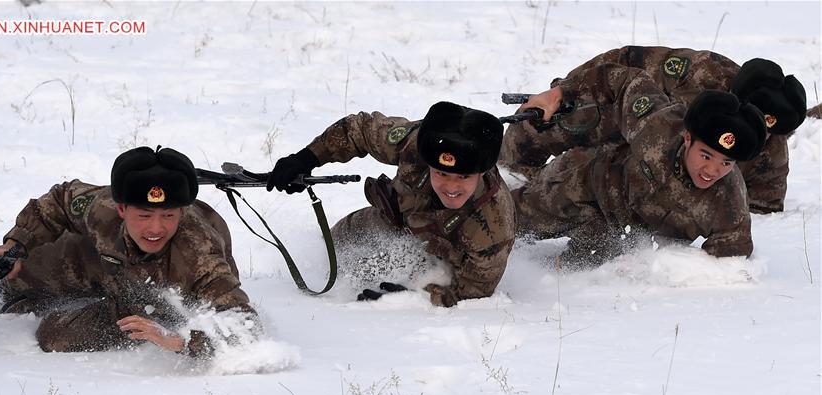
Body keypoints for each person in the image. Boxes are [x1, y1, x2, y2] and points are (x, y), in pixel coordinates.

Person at [0, 146, 255, 358]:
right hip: (113, 262)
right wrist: (15, 246)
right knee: (24, 268)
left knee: (53, 336)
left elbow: (245, 329)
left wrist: (176, 340)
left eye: (168, 215)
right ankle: (10, 289)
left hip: (151, 301)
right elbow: (59, 201)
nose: (156, 228)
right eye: (144, 215)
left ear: (182, 212)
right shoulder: (104, 209)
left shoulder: (201, 256)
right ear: (122, 209)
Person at [511, 63, 767, 266]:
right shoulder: (659, 125)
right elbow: (622, 79)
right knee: (506, 227)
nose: (712, 171)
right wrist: (560, 92)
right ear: (688, 138)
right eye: (706, 156)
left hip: (621, 241)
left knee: (572, 280)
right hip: (583, 185)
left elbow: (728, 266)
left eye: (726, 162)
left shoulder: (729, 203)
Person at [265, 102, 516, 307]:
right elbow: (359, 130)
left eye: (463, 177)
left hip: (453, 252)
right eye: (441, 174)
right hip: (405, 220)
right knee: (335, 245)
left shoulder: (494, 228)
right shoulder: (415, 145)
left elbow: (471, 296)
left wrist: (416, 297)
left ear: (481, 173)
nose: (451, 187)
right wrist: (307, 158)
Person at [500, 47, 806, 214]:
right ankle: (510, 170)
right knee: (556, 121)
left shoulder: (769, 156)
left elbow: (761, 212)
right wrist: (563, 92)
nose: (756, 134)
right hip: (632, 114)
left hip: (646, 181)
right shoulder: (702, 72)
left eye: (766, 133)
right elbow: (623, 63)